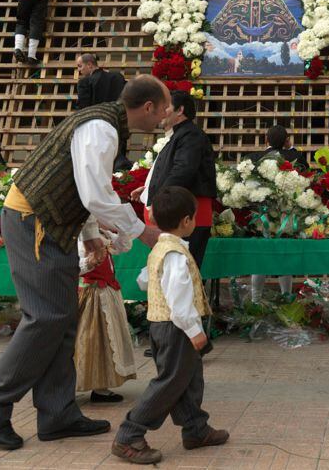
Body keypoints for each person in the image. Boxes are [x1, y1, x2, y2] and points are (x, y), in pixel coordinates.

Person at [0, 75, 169, 451]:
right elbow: (95, 193)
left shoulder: (104, 124)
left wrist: (91, 232)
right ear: (147, 107)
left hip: (50, 222)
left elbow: (84, 188)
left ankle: (57, 411)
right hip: (34, 222)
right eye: (163, 109)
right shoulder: (102, 128)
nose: (163, 118)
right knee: (45, 317)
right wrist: (142, 231)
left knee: (62, 318)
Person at [111, 186, 229, 464]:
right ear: (187, 221)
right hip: (177, 327)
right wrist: (195, 333)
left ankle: (195, 428)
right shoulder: (175, 255)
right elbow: (180, 303)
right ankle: (129, 434)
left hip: (162, 325)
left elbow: (144, 280)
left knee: (188, 377)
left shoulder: (160, 249)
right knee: (170, 381)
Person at [144, 91, 217, 269]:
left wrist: (158, 200)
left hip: (186, 214)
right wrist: (147, 188)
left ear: (180, 110)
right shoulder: (181, 135)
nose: (161, 112)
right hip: (179, 212)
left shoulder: (191, 135)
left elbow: (183, 171)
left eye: (166, 107)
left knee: (181, 273)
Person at [74, 230, 137, 404]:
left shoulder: (102, 233)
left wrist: (117, 224)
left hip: (107, 292)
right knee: (90, 338)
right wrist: (91, 261)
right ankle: (77, 382)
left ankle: (101, 387)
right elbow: (74, 267)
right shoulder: (81, 237)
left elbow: (124, 245)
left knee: (107, 341)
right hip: (92, 294)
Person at [247, 124, 306, 301]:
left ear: (266, 140)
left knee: (262, 256)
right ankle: (286, 297)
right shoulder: (294, 156)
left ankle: (255, 299)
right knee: (283, 254)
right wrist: (290, 148)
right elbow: (305, 169)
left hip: (262, 216)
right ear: (287, 140)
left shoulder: (257, 157)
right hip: (286, 216)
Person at [76, 53, 130, 170]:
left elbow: (83, 109)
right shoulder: (117, 77)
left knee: (99, 167)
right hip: (119, 126)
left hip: (97, 130)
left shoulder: (84, 83)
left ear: (90, 65)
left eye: (80, 66)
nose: (79, 70)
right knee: (119, 167)